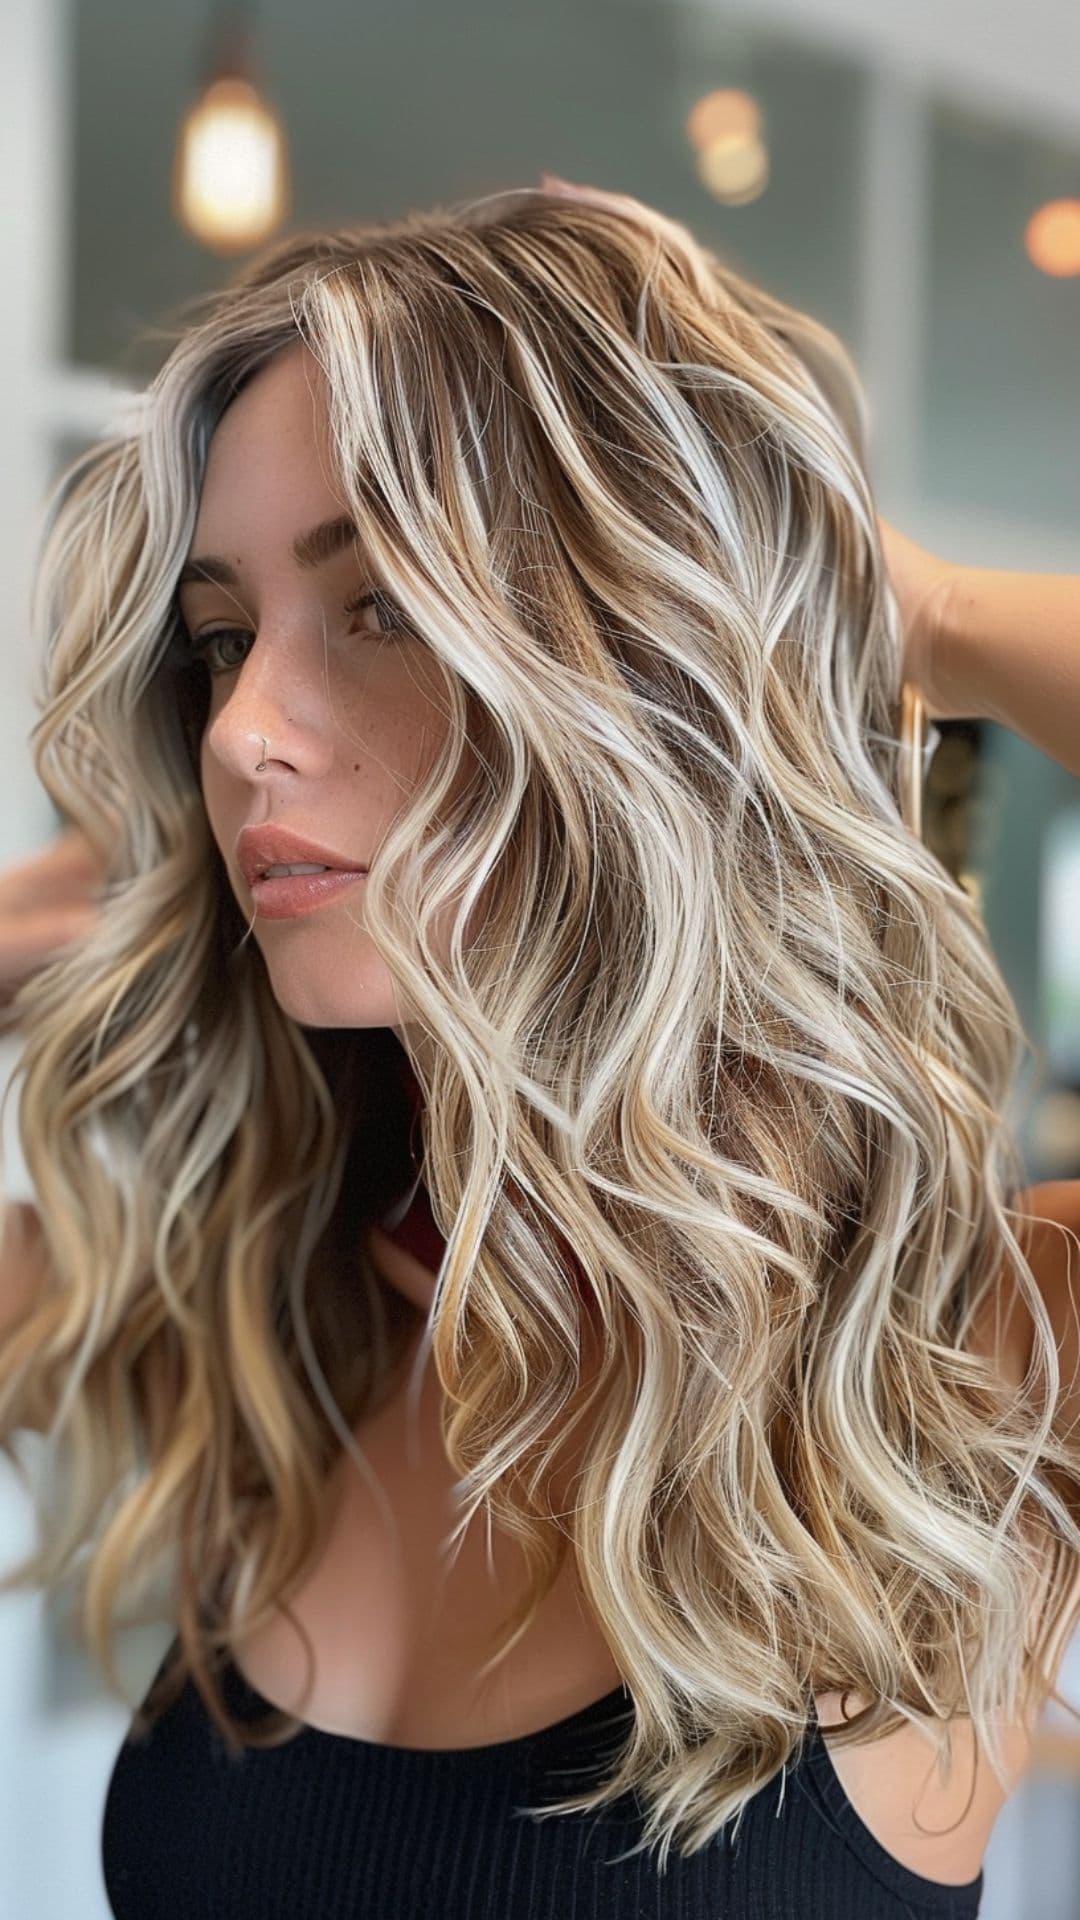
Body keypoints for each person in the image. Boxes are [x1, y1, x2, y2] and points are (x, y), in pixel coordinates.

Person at [0, 178, 1078, 1918]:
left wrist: (917, 610)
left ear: (635, 668)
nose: (246, 734)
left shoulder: (967, 1361)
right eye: (222, 638)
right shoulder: (252, 1297)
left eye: (388, 608)